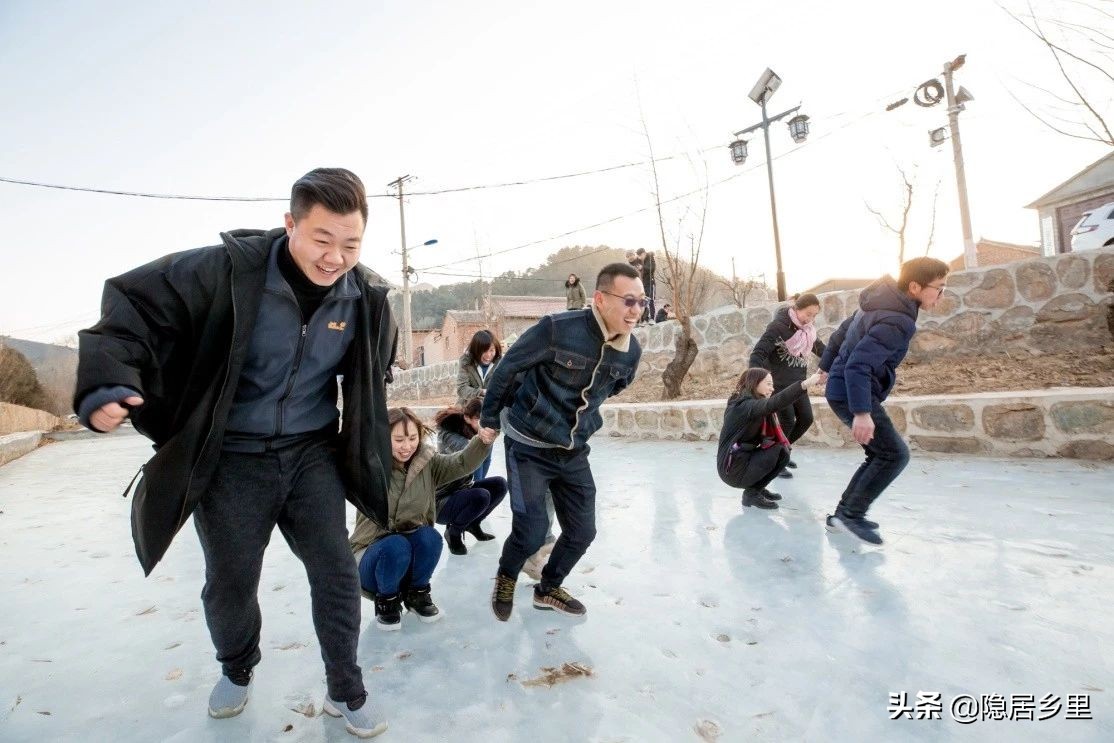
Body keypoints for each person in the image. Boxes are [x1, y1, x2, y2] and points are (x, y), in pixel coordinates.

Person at [73, 168, 393, 737]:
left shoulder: (365, 295)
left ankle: (346, 687)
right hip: (233, 460)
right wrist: (107, 383)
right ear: (289, 223)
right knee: (231, 580)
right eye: (321, 239)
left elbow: (372, 367)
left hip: (310, 452)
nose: (334, 257)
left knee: (337, 572)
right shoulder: (225, 272)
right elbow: (132, 308)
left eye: (350, 244)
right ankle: (238, 667)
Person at [481, 263, 643, 621]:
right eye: (628, 300)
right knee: (532, 529)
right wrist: (490, 420)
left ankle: (548, 588)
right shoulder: (556, 329)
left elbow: (614, 387)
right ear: (600, 299)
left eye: (641, 302)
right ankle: (506, 577)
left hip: (573, 450)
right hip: (528, 444)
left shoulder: (630, 352)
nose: (636, 310)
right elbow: (507, 369)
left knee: (583, 530)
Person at [819, 257, 950, 545]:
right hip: (853, 392)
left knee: (880, 453)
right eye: (939, 288)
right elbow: (858, 365)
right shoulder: (897, 319)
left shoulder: (880, 301)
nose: (942, 295)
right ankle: (848, 515)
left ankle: (845, 515)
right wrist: (862, 413)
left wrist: (825, 367)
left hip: (846, 388)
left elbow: (842, 332)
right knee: (894, 455)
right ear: (915, 286)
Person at [351, 407, 496, 630]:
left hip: (407, 555)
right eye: (398, 439)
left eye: (412, 438)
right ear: (383, 437)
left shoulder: (429, 463)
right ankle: (386, 602)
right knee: (395, 545)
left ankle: (416, 594)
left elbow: (461, 463)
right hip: (372, 557)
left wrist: (482, 441)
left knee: (430, 537)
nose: (406, 446)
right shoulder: (368, 466)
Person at [717, 367, 826, 509]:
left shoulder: (752, 403)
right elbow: (775, 403)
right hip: (732, 468)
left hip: (744, 459)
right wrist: (806, 384)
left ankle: (755, 490)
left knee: (782, 452)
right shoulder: (743, 406)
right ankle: (751, 495)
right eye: (768, 384)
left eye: (772, 384)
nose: (772, 388)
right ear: (754, 383)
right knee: (779, 450)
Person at [749, 293, 827, 479]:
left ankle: (781, 452)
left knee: (806, 419)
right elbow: (758, 353)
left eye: (814, 316)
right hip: (779, 384)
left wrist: (833, 361)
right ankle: (775, 459)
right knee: (787, 421)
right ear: (796, 308)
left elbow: (822, 350)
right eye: (807, 314)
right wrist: (756, 381)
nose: (810, 319)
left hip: (799, 383)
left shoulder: (808, 331)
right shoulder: (778, 327)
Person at [433, 398, 509, 555]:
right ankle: (453, 534)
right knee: (481, 496)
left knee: (499, 485)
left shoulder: (476, 432)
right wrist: (484, 439)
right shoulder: (448, 434)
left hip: (461, 488)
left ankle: (473, 524)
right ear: (467, 417)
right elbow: (468, 455)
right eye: (479, 419)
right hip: (440, 500)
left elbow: (483, 464)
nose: (484, 423)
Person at [456, 329, 502, 479]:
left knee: (486, 457)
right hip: (469, 418)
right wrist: (482, 392)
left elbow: (502, 389)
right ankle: (474, 489)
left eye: (491, 350)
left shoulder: (500, 364)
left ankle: (479, 488)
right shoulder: (466, 362)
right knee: (472, 458)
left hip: (488, 418)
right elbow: (462, 389)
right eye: (484, 351)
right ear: (476, 350)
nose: (489, 355)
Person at [635, 248, 656, 324]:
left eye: (640, 255)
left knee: (651, 301)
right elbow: (633, 262)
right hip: (643, 284)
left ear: (644, 253)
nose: (639, 257)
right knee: (643, 301)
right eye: (638, 256)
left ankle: (652, 319)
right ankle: (645, 319)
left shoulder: (650, 258)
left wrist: (642, 267)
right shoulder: (639, 260)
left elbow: (652, 268)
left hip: (650, 283)